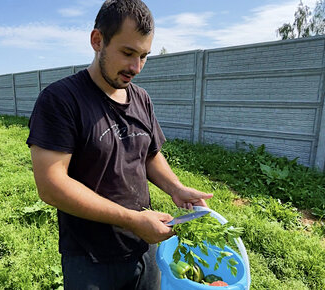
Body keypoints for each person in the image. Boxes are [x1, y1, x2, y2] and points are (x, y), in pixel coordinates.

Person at [26, 0, 213, 288]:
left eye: (144, 56)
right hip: (91, 259)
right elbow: (51, 185)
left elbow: (148, 154)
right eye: (127, 53)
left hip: (145, 245)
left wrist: (176, 188)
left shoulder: (141, 98)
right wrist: (131, 219)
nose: (136, 67)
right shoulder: (61, 100)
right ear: (97, 40)